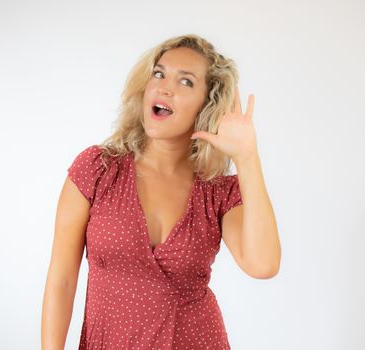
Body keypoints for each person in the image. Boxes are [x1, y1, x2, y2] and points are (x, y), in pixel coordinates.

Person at [41, 34, 281, 350]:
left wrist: (247, 157)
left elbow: (263, 265)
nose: (165, 87)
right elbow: (61, 280)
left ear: (206, 104)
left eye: (186, 82)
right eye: (159, 73)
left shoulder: (217, 193)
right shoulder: (98, 169)